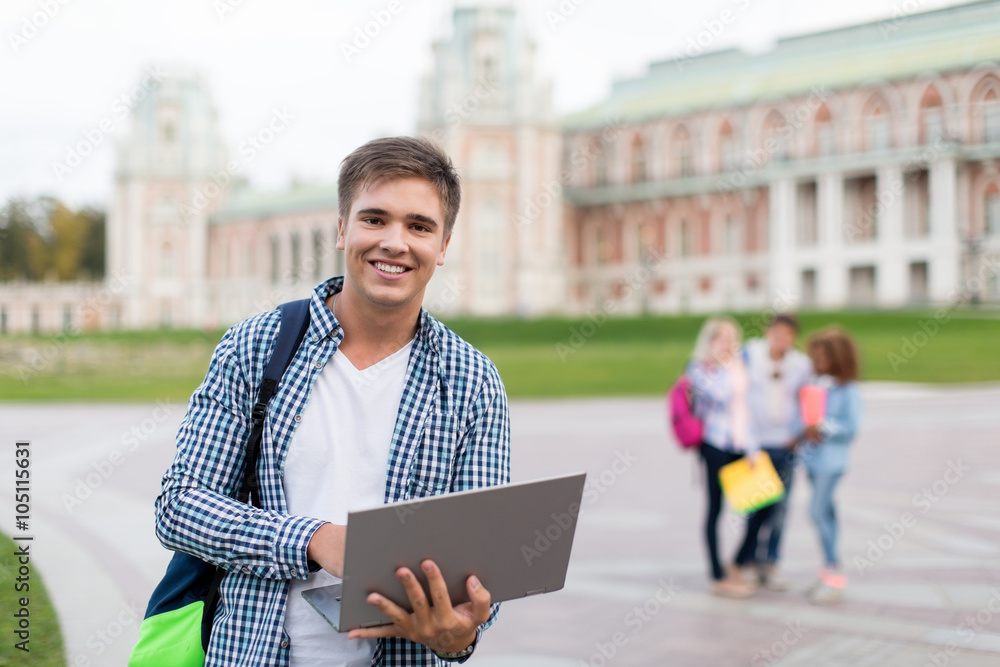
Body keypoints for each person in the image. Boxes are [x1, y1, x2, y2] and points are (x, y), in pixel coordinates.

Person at [154, 136, 511, 666]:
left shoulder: (473, 380)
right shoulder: (255, 347)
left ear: (444, 244)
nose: (395, 242)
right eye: (375, 219)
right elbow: (180, 507)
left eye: (418, 226)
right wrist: (314, 540)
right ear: (342, 229)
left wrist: (461, 634)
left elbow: (484, 563)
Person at [732, 314, 812, 591]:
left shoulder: (800, 365)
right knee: (756, 505)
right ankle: (750, 560)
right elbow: (737, 394)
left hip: (786, 443)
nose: (781, 340)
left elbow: (807, 399)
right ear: (768, 332)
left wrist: (798, 431)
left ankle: (772, 561)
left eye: (787, 335)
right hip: (756, 443)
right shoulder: (751, 356)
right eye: (777, 333)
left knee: (781, 507)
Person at [687, 316, 759, 598]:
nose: (728, 344)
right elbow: (719, 395)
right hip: (714, 443)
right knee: (715, 508)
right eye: (721, 337)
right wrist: (724, 365)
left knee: (761, 504)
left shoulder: (739, 366)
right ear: (710, 340)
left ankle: (739, 561)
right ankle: (716, 574)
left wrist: (753, 447)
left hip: (741, 444)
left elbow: (746, 408)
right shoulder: (700, 368)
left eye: (732, 337)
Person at [799, 328, 862, 604]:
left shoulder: (848, 390)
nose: (819, 359)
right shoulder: (817, 384)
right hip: (812, 458)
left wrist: (823, 426)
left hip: (832, 461)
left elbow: (851, 427)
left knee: (816, 512)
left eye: (824, 355)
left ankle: (834, 570)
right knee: (827, 513)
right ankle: (828, 572)